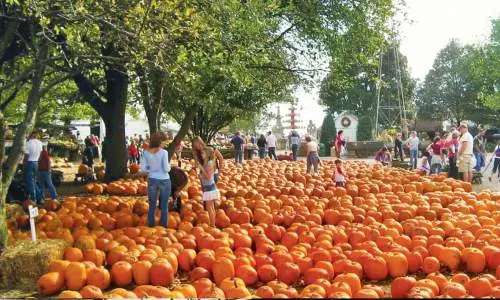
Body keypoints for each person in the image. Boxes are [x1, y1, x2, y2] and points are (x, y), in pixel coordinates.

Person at [141, 132, 171, 227]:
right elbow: (166, 168)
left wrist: (152, 169)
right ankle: (163, 226)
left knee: (152, 206)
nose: (164, 144)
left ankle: (151, 226)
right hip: (164, 180)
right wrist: (170, 167)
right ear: (160, 141)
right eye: (164, 142)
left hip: (152, 179)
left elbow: (143, 169)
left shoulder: (145, 153)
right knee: (164, 205)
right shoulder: (164, 153)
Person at [198, 147, 219, 227]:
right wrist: (201, 176)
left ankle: (212, 225)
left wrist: (201, 169)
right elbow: (205, 176)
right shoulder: (207, 163)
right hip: (208, 187)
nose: (201, 154)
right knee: (211, 207)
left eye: (203, 153)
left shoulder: (210, 163)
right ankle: (213, 224)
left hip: (210, 187)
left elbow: (208, 176)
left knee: (209, 208)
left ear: (207, 154)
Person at [24, 132, 43, 205]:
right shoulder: (40, 142)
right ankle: (39, 198)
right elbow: (41, 154)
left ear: (30, 135)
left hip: (30, 162)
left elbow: (27, 155)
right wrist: (37, 160)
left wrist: (24, 163)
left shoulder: (28, 143)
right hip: (36, 162)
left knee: (30, 182)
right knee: (33, 181)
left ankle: (33, 199)